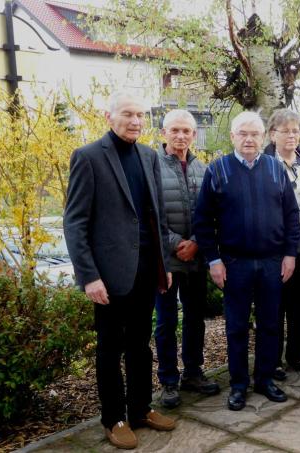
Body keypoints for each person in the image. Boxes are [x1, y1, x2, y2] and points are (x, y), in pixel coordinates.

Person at [63, 91, 176, 449]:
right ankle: (113, 419)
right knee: (110, 349)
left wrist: (164, 265)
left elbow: (156, 215)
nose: (136, 121)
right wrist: (89, 276)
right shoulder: (88, 157)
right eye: (128, 114)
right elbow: (75, 222)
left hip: (145, 269)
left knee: (141, 345)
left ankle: (141, 408)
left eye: (141, 115)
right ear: (110, 116)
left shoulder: (149, 155)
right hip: (108, 275)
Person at [193, 111, 300, 411]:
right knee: (236, 327)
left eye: (255, 133)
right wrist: (214, 260)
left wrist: (290, 253)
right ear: (232, 137)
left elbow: (292, 215)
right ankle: (239, 385)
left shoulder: (276, 169)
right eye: (243, 133)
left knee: (270, 324)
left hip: (272, 262)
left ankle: (265, 379)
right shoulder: (217, 171)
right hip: (234, 263)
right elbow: (202, 221)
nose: (249, 139)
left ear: (264, 136)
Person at [153, 109, 220, 409]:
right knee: (166, 322)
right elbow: (149, 215)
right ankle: (168, 379)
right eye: (175, 130)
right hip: (166, 262)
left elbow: (210, 213)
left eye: (187, 131)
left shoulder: (202, 168)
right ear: (164, 132)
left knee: (195, 318)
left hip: (195, 259)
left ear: (194, 135)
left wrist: (196, 243)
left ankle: (193, 372)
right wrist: (177, 243)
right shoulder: (152, 166)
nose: (181, 136)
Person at [263, 108, 300, 381]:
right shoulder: (264, 162)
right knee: (274, 305)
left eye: (296, 130)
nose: (291, 135)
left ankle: (296, 354)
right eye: (285, 130)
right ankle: (272, 359)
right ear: (272, 133)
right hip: (276, 247)